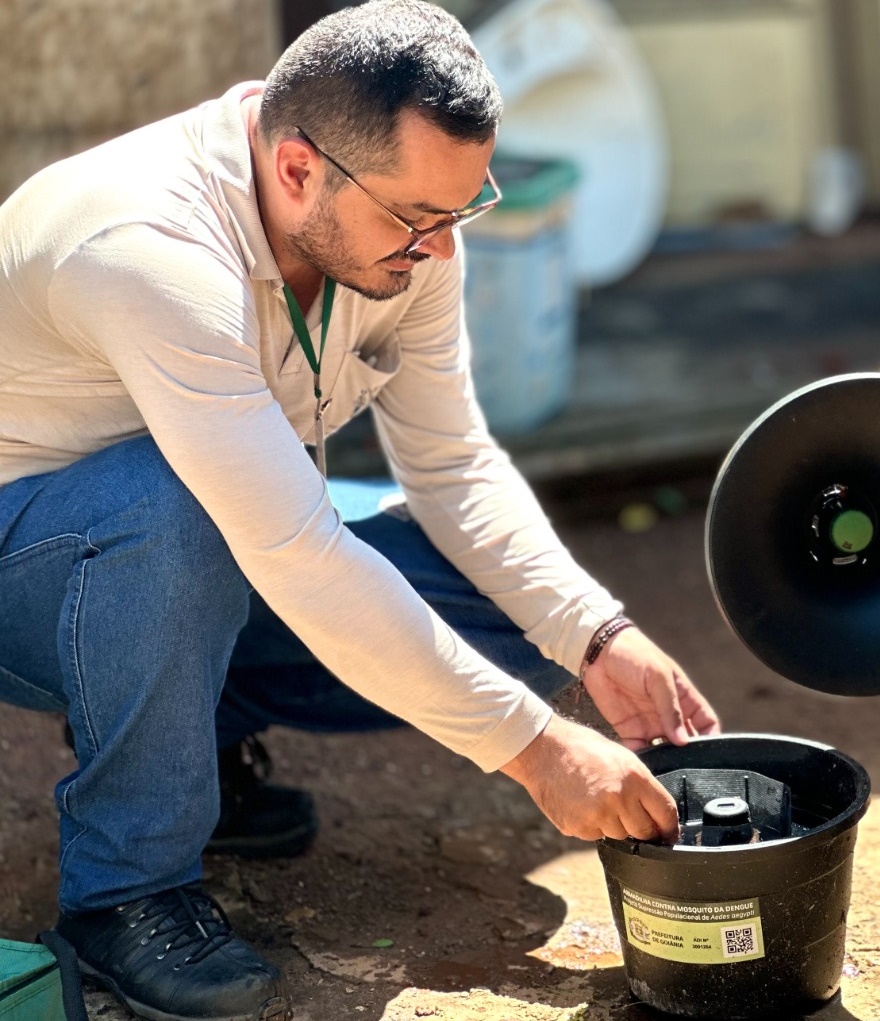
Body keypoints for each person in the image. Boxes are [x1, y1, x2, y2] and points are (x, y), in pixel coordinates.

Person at [0, 3, 720, 1018]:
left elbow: (455, 467)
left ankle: (187, 737)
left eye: (460, 212)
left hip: (202, 538)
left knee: (507, 609)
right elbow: (294, 547)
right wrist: (539, 750)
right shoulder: (149, 246)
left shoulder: (404, 228)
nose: (437, 249)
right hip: (30, 562)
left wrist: (598, 633)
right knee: (181, 505)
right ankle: (127, 888)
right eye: (416, 219)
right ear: (297, 170)